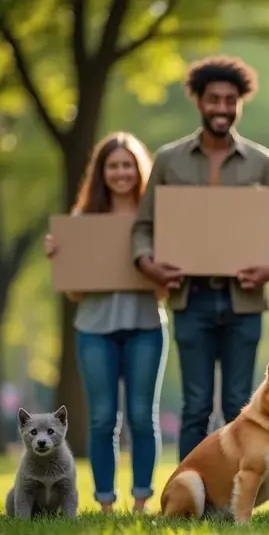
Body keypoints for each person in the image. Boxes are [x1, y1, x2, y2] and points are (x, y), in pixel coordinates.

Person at [131, 55, 269, 461]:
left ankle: (237, 492)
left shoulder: (261, 162)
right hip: (191, 298)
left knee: (242, 402)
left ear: (240, 103)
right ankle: (191, 487)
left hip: (244, 298)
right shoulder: (169, 160)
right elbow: (143, 226)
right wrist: (150, 265)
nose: (222, 107)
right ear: (199, 101)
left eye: (230, 100)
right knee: (196, 404)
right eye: (214, 99)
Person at [45, 132, 168, 514]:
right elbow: (75, 294)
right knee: (101, 419)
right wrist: (61, 260)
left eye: (127, 165)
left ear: (138, 169)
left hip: (146, 325)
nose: (121, 172)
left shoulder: (156, 220)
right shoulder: (83, 220)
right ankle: (105, 503)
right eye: (113, 165)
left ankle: (142, 500)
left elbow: (166, 288)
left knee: (141, 417)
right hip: (93, 328)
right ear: (101, 172)